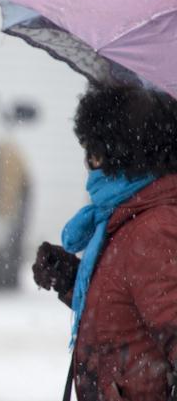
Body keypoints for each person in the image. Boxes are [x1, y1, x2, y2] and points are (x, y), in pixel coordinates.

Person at [32, 84, 177, 400]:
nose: (87, 165)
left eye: (93, 152)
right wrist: (75, 279)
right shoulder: (128, 217)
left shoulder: (153, 231)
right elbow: (127, 317)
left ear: (120, 154)